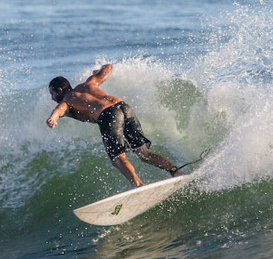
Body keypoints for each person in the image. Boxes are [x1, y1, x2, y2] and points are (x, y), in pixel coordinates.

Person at [46, 63, 184, 187]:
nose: (52, 98)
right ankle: (175, 171)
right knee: (143, 153)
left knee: (118, 158)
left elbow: (60, 109)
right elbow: (108, 68)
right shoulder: (88, 84)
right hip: (124, 107)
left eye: (52, 94)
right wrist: (99, 70)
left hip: (109, 115)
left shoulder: (67, 100)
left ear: (60, 90)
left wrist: (53, 118)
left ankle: (138, 185)